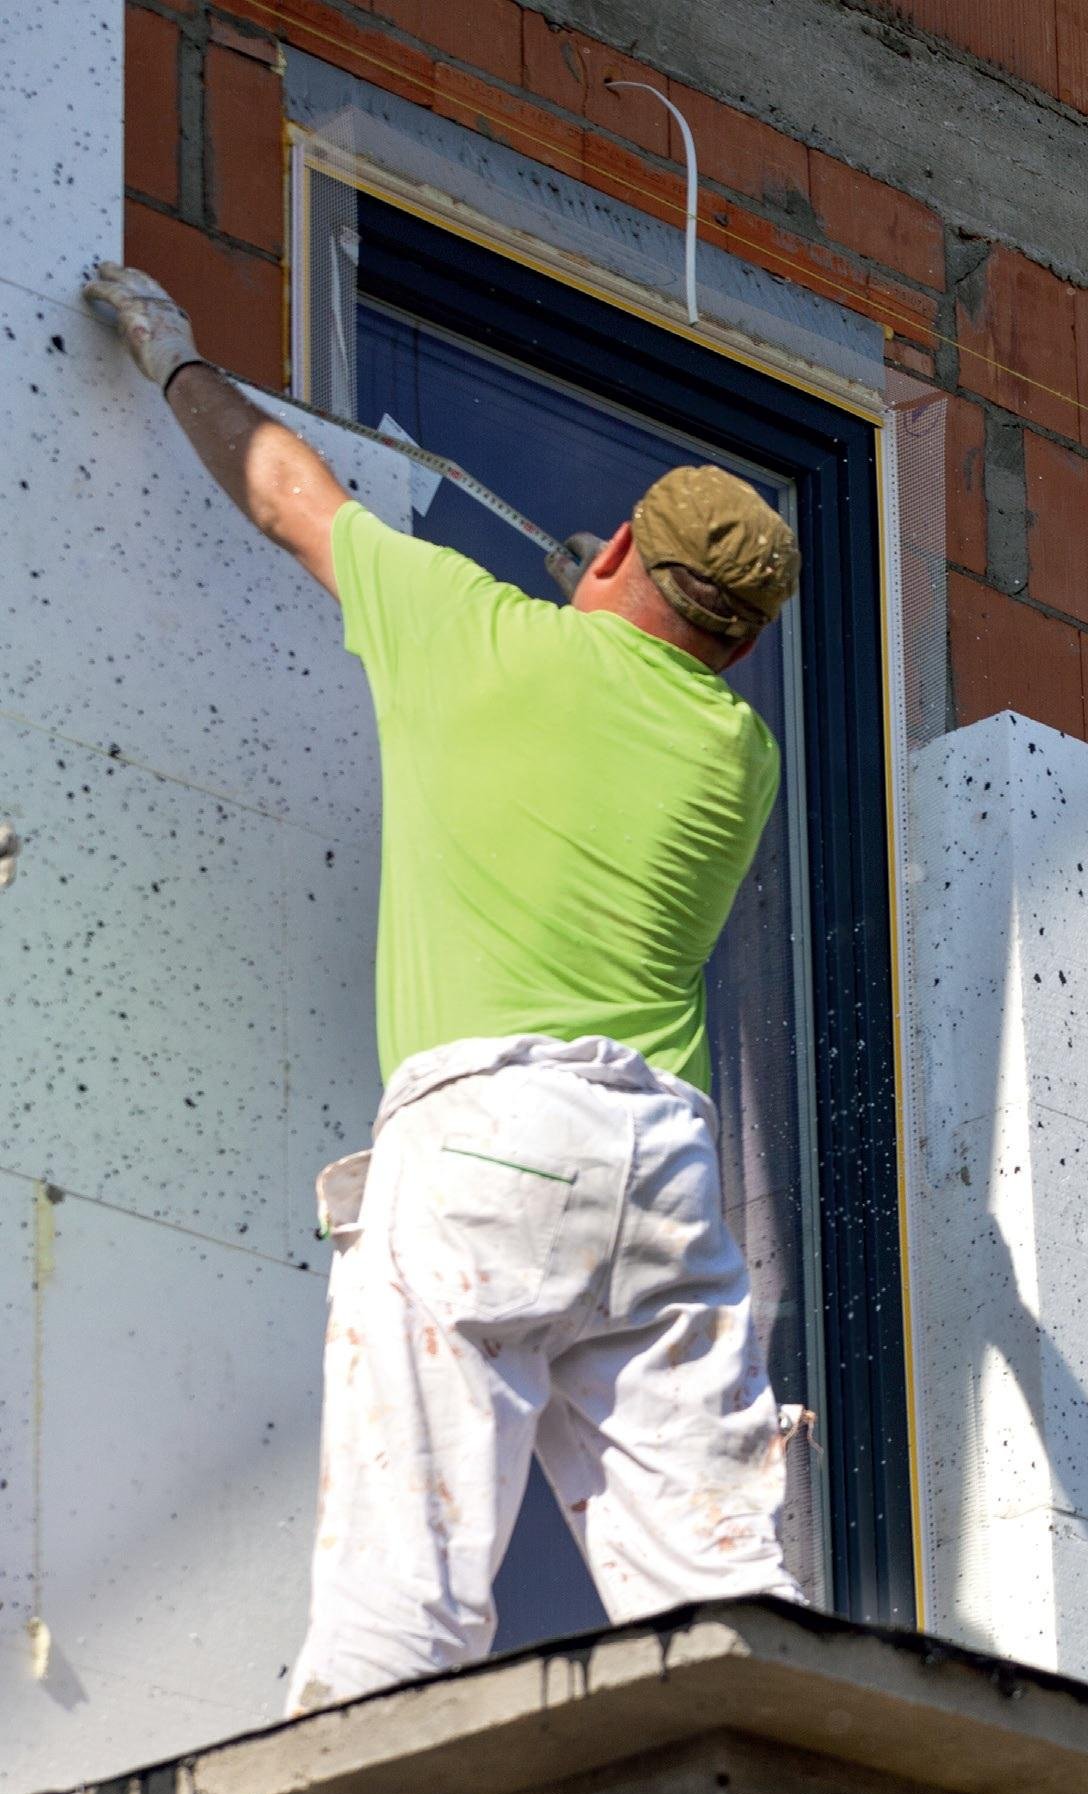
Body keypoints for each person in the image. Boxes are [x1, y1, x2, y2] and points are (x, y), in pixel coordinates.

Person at [82, 264, 808, 1714]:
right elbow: (631, 686)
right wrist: (594, 614)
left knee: (401, 1597)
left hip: (484, 1144)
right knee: (725, 1593)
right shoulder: (744, 759)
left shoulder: (465, 635)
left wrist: (174, 360)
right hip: (658, 1174)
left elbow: (289, 491)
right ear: (742, 642)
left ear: (612, 563)